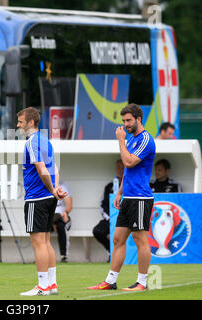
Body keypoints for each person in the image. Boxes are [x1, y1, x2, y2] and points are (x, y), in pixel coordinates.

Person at [88, 103, 155, 292]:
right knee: (117, 239)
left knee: (140, 238)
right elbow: (128, 170)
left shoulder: (145, 139)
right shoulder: (132, 139)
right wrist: (119, 192)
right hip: (129, 197)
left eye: (128, 120)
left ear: (138, 119)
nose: (125, 124)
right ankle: (111, 281)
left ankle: (142, 282)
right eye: (123, 121)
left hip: (140, 198)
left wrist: (120, 141)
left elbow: (129, 161)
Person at [17, 107, 67, 296]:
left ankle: (42, 287)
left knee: (38, 243)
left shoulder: (32, 142)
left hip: (37, 198)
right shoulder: (46, 141)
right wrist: (55, 189)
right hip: (49, 198)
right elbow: (54, 168)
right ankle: (52, 285)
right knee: (46, 242)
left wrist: (52, 188)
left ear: (30, 123)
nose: (17, 126)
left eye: (20, 122)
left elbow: (41, 169)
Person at [92, 159, 124, 261]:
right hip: (110, 219)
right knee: (97, 231)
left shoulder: (131, 185)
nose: (119, 170)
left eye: (122, 167)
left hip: (126, 220)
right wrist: (109, 218)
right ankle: (111, 251)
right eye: (118, 167)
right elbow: (102, 204)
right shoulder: (109, 186)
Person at [52, 181, 72, 262]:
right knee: (41, 229)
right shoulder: (44, 186)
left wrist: (66, 212)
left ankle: (64, 255)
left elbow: (69, 205)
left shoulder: (62, 187)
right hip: (49, 217)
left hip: (61, 217)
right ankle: (42, 255)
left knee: (61, 227)